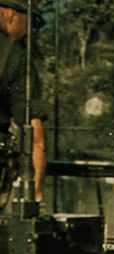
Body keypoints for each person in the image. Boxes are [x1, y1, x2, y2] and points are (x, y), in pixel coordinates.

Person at [0, 0, 46, 202]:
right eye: (29, 23)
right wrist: (35, 195)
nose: (29, 31)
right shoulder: (15, 57)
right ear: (12, 14)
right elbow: (36, 137)